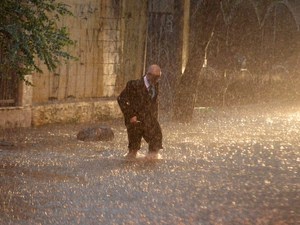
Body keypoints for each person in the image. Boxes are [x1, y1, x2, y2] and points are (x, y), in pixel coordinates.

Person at [117, 64, 163, 159]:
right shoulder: (134, 85)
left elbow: (153, 103)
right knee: (133, 150)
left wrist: (155, 117)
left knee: (156, 144)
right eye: (156, 77)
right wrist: (131, 115)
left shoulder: (155, 85)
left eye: (159, 77)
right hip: (135, 121)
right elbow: (121, 99)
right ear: (149, 75)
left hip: (150, 120)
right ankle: (131, 167)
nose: (157, 80)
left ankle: (151, 168)